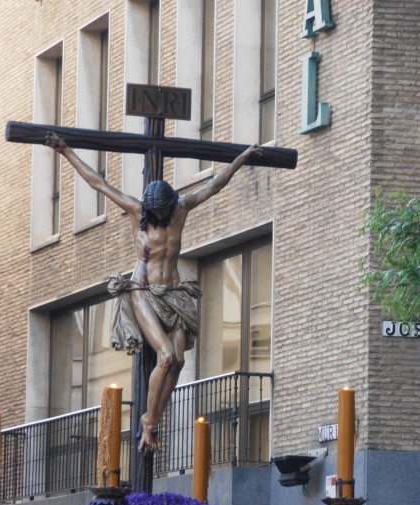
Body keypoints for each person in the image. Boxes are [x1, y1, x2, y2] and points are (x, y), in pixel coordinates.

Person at [46, 132, 262, 454]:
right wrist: (65, 151)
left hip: (174, 294)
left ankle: (153, 418)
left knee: (179, 360)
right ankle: (148, 422)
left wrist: (242, 159)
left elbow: (214, 185)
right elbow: (98, 184)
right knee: (166, 356)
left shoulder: (181, 209)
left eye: (164, 212)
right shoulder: (137, 213)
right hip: (144, 291)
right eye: (157, 212)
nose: (161, 217)